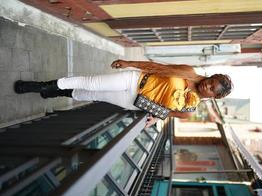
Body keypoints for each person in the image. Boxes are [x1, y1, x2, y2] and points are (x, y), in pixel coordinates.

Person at [14, 60, 233, 127]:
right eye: (211, 83)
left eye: (213, 90)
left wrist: (153, 119)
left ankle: (51, 94)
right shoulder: (189, 72)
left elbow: (165, 114)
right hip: (135, 79)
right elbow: (157, 67)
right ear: (210, 77)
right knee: (90, 82)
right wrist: (129, 63)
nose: (208, 87)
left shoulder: (190, 111)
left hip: (133, 101)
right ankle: (40, 86)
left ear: (214, 98)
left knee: (89, 94)